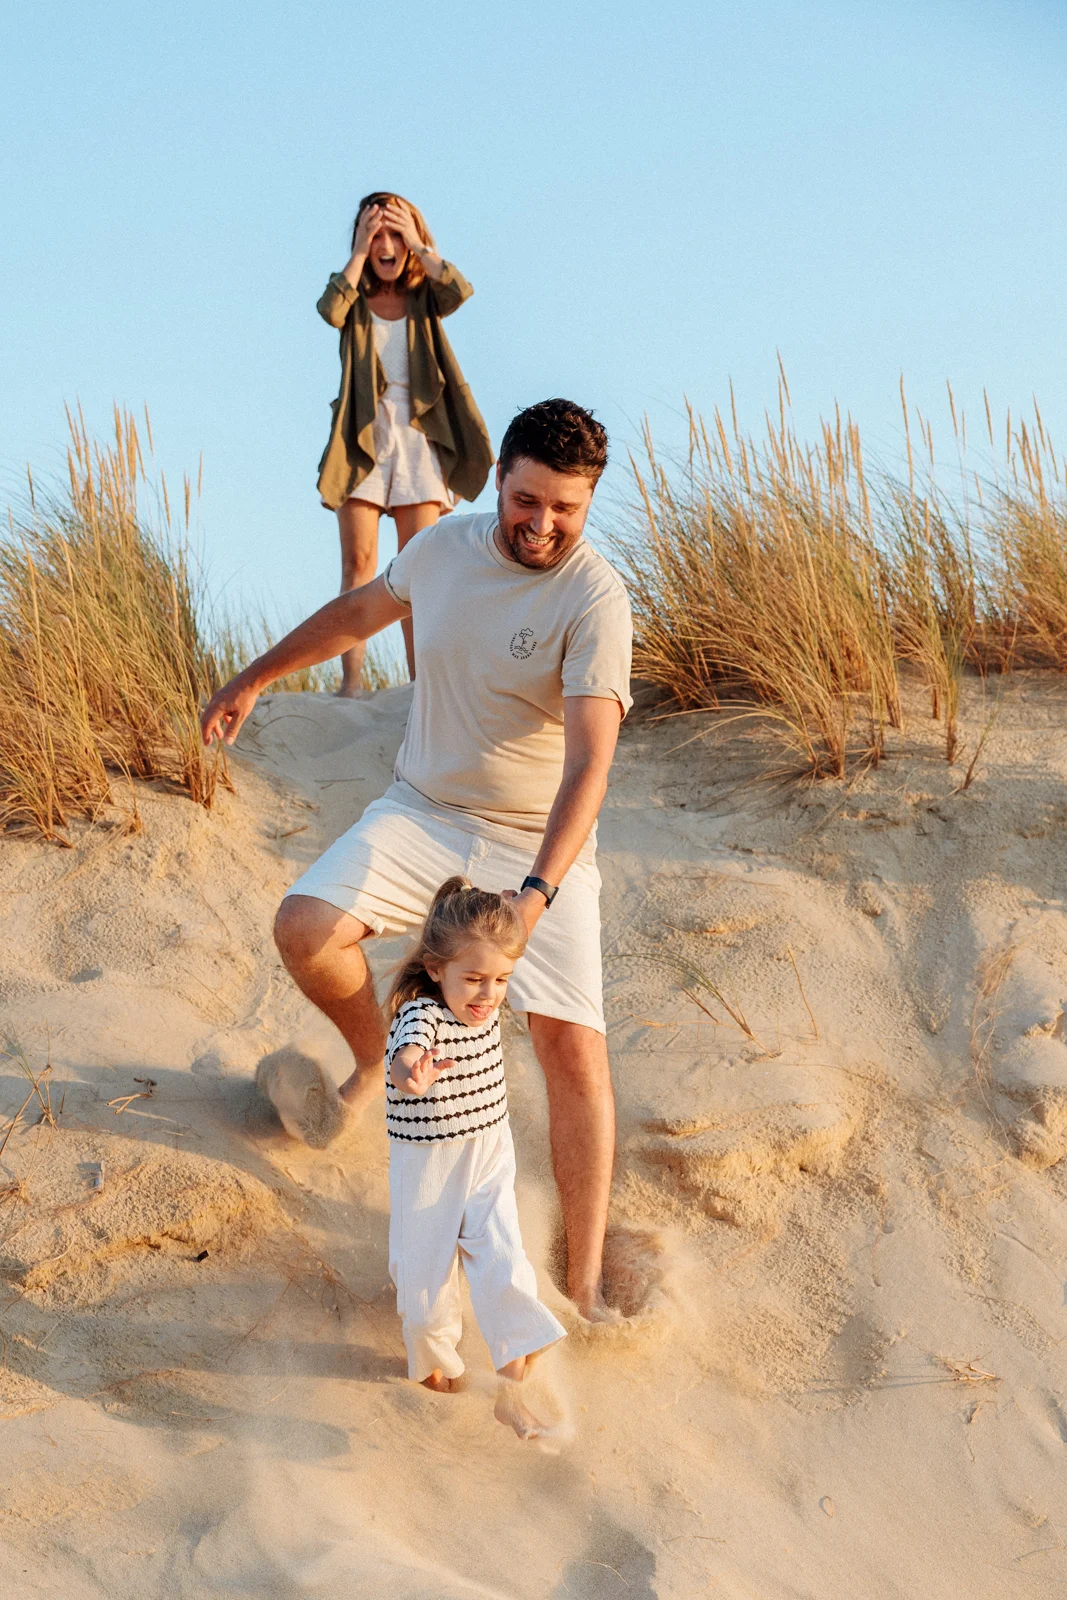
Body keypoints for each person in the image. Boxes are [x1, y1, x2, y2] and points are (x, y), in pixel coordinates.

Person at [200, 398, 633, 1322]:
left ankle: (587, 1282)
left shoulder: (595, 596)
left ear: (587, 504)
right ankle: (379, 1061)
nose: (542, 525)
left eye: (565, 509)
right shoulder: (442, 549)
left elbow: (591, 762)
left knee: (570, 1050)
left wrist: (537, 896)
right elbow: (358, 611)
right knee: (305, 927)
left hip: (536, 839)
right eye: (527, 501)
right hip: (423, 811)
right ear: (500, 482)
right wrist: (254, 676)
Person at [384, 875, 566, 1438]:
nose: (489, 994)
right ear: (437, 969)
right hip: (430, 1168)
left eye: (502, 980)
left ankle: (513, 1388)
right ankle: (437, 1377)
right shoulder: (425, 1015)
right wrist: (410, 1074)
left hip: (489, 1154)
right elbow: (404, 1055)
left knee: (504, 1260)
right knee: (424, 1286)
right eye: (475, 979)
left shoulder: (483, 1010)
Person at [316, 191, 493, 690]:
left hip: (419, 438)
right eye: (377, 234)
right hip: (361, 439)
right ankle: (350, 684)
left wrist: (418, 243)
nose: (386, 244)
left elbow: (459, 289)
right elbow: (329, 309)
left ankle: (421, 688)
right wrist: (356, 252)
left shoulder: (423, 296)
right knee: (359, 565)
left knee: (417, 570)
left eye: (396, 233)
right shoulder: (353, 298)